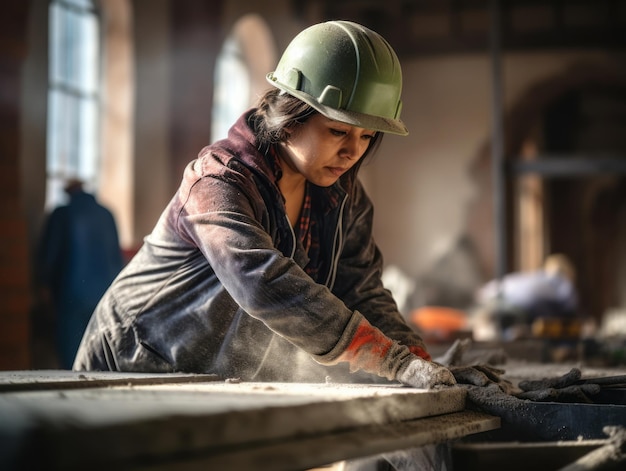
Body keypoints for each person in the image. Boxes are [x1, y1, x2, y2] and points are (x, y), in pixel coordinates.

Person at [73, 21, 456, 392]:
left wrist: (419, 359)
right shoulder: (218, 182)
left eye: (367, 136)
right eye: (338, 131)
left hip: (208, 380)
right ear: (289, 119)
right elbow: (262, 280)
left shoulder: (345, 199)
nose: (353, 151)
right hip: (129, 365)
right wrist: (391, 361)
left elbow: (362, 290)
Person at [37, 178, 124, 369]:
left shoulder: (63, 213)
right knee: (101, 354)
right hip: (106, 293)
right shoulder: (106, 213)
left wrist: (43, 284)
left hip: (72, 294)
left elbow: (51, 253)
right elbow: (116, 256)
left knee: (72, 356)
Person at [472, 253, 579, 342]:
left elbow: (494, 287)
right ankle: (511, 333)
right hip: (519, 308)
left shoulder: (534, 276)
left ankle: (501, 332)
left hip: (495, 299)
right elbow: (570, 305)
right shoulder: (562, 282)